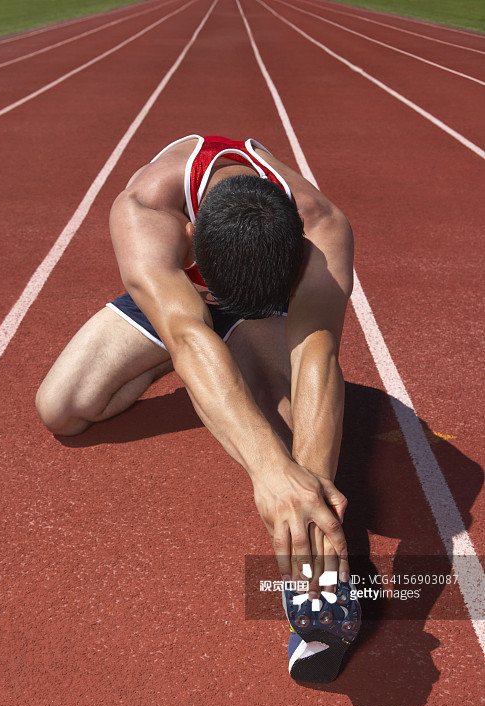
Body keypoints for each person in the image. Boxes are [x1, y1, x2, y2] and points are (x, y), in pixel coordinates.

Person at [36, 133, 354, 606]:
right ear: (189, 238)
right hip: (175, 303)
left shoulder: (321, 226)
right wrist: (268, 473)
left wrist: (309, 507)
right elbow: (187, 335)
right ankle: (217, 356)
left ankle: (318, 582)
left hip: (265, 309)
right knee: (61, 409)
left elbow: (316, 349)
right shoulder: (147, 210)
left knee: (289, 430)